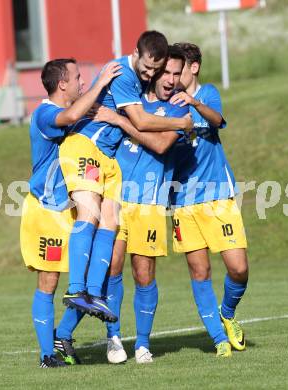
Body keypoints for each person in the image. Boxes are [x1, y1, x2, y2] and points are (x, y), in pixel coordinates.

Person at [60, 31, 192, 323]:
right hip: (87, 145)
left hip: (105, 157)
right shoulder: (122, 75)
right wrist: (182, 122)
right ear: (135, 53)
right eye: (147, 67)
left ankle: (91, 293)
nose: (150, 74)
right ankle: (76, 289)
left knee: (109, 222)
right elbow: (142, 121)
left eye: (155, 70)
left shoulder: (142, 79)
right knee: (89, 214)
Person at [89, 46, 189, 364]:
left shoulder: (179, 110)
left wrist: (118, 121)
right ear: (155, 70)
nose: (171, 79)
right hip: (115, 197)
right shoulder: (130, 97)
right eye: (167, 73)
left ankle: (143, 343)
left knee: (143, 273)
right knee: (113, 267)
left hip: (149, 202)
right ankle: (114, 338)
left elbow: (160, 144)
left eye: (177, 73)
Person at [20, 58, 121, 368]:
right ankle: (46, 355)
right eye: (78, 77)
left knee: (93, 273)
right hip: (47, 210)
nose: (82, 82)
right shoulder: (45, 114)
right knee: (49, 282)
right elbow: (73, 114)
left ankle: (63, 335)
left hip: (71, 209)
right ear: (62, 83)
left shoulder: (72, 111)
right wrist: (101, 82)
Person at [169, 42, 249, 357]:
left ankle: (227, 314)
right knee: (199, 271)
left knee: (239, 268)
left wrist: (193, 104)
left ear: (194, 67)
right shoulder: (166, 104)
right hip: (182, 200)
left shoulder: (208, 94)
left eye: (178, 70)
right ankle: (218, 340)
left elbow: (216, 120)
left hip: (217, 196)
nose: (173, 77)